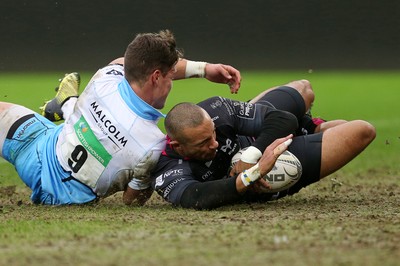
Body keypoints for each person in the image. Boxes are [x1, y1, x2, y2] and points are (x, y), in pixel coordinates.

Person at [0, 29, 241, 205]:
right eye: (169, 75)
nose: (171, 82)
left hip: (36, 143)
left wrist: (203, 69)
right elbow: (131, 200)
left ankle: (66, 104)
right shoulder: (152, 146)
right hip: (62, 194)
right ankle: (66, 104)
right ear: (156, 77)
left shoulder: (106, 76)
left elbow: (121, 62)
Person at [148, 80, 376, 210]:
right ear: (178, 146)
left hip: (255, 142)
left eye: (214, 135)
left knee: (304, 89)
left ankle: (309, 128)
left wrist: (252, 155)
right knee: (362, 130)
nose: (214, 144)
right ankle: (303, 135)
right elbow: (194, 196)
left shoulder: (216, 110)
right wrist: (254, 173)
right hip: (271, 170)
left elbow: (283, 119)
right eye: (204, 143)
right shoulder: (167, 167)